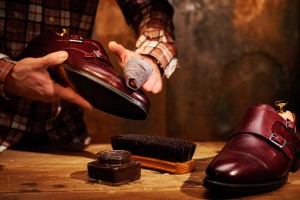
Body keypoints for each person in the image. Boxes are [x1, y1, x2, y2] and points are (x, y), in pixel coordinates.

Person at [0, 0, 178, 152]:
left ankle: (71, 46)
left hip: (66, 135)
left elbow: (150, 7)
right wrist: (7, 72)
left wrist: (149, 57)